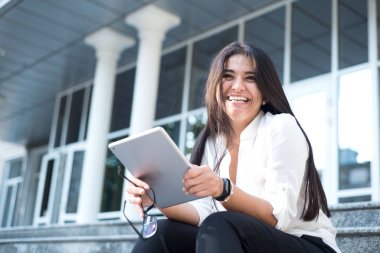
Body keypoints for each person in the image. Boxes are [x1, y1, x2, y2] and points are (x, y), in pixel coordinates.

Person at [126, 41, 341, 253]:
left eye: (251, 78)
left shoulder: (281, 127)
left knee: (220, 224)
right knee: (161, 232)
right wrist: (158, 196)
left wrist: (223, 189)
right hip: (237, 240)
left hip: (304, 243)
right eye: (228, 76)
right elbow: (201, 212)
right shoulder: (211, 142)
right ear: (216, 87)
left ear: (266, 93)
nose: (237, 86)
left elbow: (278, 218)